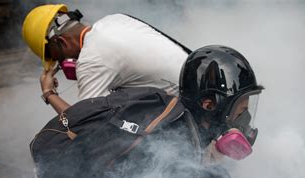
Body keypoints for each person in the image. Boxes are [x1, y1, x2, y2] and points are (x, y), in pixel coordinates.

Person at [30, 45, 265, 178]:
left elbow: (85, 124)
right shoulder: (173, 135)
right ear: (209, 104)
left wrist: (49, 94)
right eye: (240, 111)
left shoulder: (173, 112)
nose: (244, 121)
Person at [22, 4, 189, 114]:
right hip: (201, 91)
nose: (59, 63)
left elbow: (84, 124)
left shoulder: (92, 59)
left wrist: (49, 93)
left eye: (55, 56)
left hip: (189, 115)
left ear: (61, 41)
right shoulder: (114, 20)